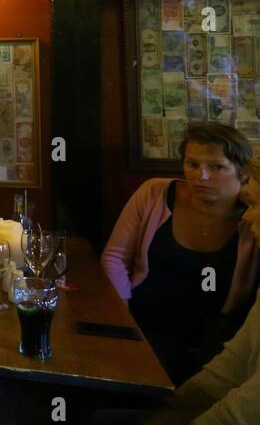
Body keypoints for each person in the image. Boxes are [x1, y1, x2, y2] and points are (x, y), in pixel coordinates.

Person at [108, 158, 260, 425]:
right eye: (192, 163)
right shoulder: (156, 193)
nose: (248, 217)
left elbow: (239, 424)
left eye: (254, 205)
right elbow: (220, 378)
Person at [101, 122, 258, 384]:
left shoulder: (253, 218)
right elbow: (115, 257)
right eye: (192, 164)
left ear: (242, 172)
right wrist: (123, 322)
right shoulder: (155, 193)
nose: (201, 176)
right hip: (140, 322)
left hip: (212, 341)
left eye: (216, 167)